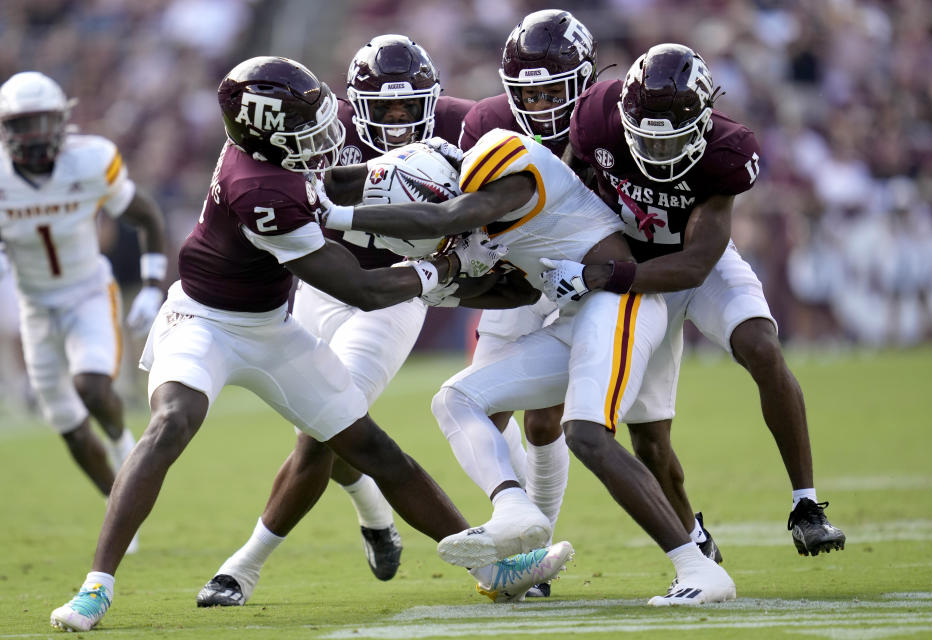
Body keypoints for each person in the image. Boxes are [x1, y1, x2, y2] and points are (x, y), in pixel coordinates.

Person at [49, 56, 574, 633]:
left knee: (374, 449)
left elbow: (331, 193)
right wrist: (443, 267)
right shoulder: (259, 189)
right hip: (202, 321)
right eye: (303, 128)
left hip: (271, 327)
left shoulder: (268, 163)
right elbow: (362, 288)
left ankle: (494, 570)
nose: (322, 137)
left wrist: (412, 203)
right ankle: (95, 587)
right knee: (172, 421)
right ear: (263, 133)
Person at [320, 126, 736, 605]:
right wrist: (448, 282)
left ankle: (697, 568)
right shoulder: (479, 215)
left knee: (585, 433)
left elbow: (450, 213)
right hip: (579, 315)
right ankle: (514, 507)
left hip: (623, 302)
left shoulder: (503, 160)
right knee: (456, 399)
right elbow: (520, 291)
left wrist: (338, 214)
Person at [195, 35, 479, 607]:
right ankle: (374, 510)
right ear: (353, 102)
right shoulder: (320, 122)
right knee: (332, 424)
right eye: (385, 108)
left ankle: (242, 568)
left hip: (395, 293)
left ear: (433, 96)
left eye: (409, 106)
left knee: (324, 426)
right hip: (324, 287)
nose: (398, 120)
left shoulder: (464, 125)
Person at [542, 43, 846, 557]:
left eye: (672, 142)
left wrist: (599, 274)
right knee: (651, 443)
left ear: (705, 121)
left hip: (681, 263)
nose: (659, 154)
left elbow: (696, 264)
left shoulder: (728, 150)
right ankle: (694, 541)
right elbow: (566, 189)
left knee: (762, 346)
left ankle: (806, 504)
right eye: (648, 142)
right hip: (628, 272)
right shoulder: (595, 116)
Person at [458, 11, 722, 593]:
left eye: (557, 87)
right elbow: (470, 222)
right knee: (485, 405)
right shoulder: (488, 124)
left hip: (612, 276)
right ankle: (530, 545)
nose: (546, 103)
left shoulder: (610, 114)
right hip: (525, 271)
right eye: (531, 91)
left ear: (586, 77)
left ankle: (689, 539)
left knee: (642, 435)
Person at [0, 71, 166, 536]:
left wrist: (153, 284)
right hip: (34, 305)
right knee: (70, 429)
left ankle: (120, 441)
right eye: (22, 124)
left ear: (62, 121)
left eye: (41, 122)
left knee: (93, 386)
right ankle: (119, 512)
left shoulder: (90, 161)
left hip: (88, 292)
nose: (33, 136)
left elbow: (145, 213)